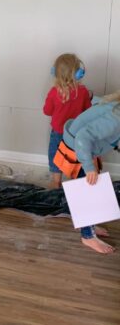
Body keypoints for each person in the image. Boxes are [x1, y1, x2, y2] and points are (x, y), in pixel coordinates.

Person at [55, 91, 120, 254]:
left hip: (84, 149)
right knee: (89, 194)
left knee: (90, 191)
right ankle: (87, 236)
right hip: (78, 150)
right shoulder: (116, 118)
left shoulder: (116, 106)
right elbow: (83, 137)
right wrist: (89, 167)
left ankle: (88, 225)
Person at [43, 54, 91, 188]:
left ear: (55, 73)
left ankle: (56, 181)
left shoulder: (53, 92)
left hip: (58, 132)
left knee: (55, 156)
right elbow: (88, 111)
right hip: (76, 133)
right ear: (78, 73)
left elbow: (47, 111)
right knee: (75, 156)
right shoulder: (83, 92)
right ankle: (76, 182)